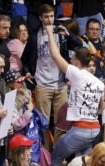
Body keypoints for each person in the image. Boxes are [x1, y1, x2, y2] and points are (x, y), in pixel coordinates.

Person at [21, 4, 82, 149]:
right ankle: (45, 155)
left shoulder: (61, 33)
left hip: (61, 84)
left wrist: (69, 35)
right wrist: (27, 71)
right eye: (46, 17)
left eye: (52, 16)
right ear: (40, 18)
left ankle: (58, 155)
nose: (49, 20)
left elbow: (80, 46)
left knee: (62, 124)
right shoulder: (35, 35)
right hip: (42, 84)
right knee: (43, 123)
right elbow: (25, 58)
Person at [44, 24, 105, 166]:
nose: (70, 60)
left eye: (72, 58)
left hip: (80, 129)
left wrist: (49, 32)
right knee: (85, 163)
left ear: (77, 61)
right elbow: (102, 108)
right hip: (95, 129)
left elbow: (55, 55)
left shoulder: (77, 74)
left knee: (56, 158)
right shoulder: (99, 82)